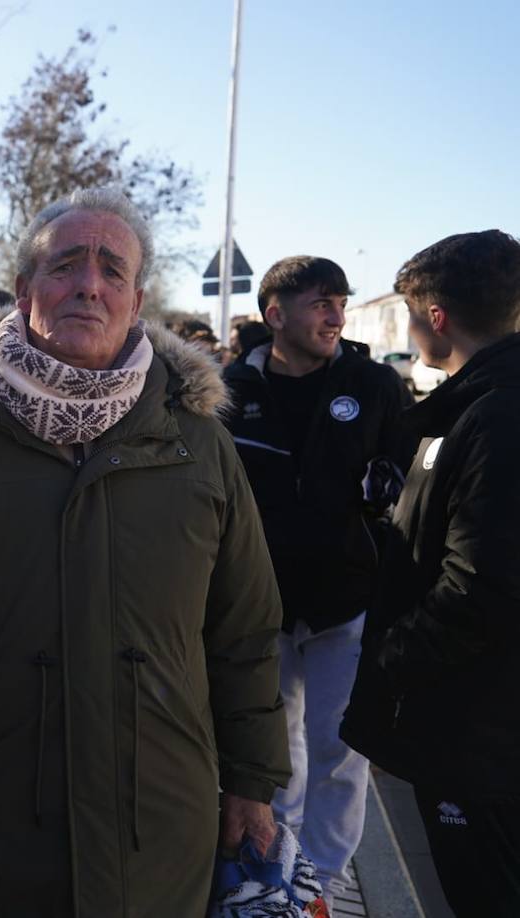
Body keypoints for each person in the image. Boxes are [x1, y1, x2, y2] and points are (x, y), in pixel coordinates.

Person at [0, 187, 290, 916]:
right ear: (23, 290)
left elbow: (244, 627)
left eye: (113, 270)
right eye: (66, 265)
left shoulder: (197, 445)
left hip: (164, 820)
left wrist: (252, 780)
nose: (89, 284)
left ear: (137, 301)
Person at [222, 255, 412, 905]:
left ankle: (324, 880)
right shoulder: (232, 389)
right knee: (274, 745)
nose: (335, 315)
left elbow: (404, 482)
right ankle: (281, 857)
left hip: (345, 601)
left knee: (340, 747)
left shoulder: (373, 384)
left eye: (340, 302)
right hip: (258, 604)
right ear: (276, 314)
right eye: (320, 302)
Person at [342, 230, 520, 916]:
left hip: (481, 733)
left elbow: (482, 585)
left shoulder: (495, 416)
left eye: (413, 317)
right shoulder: (472, 408)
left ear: (434, 317)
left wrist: (389, 667)